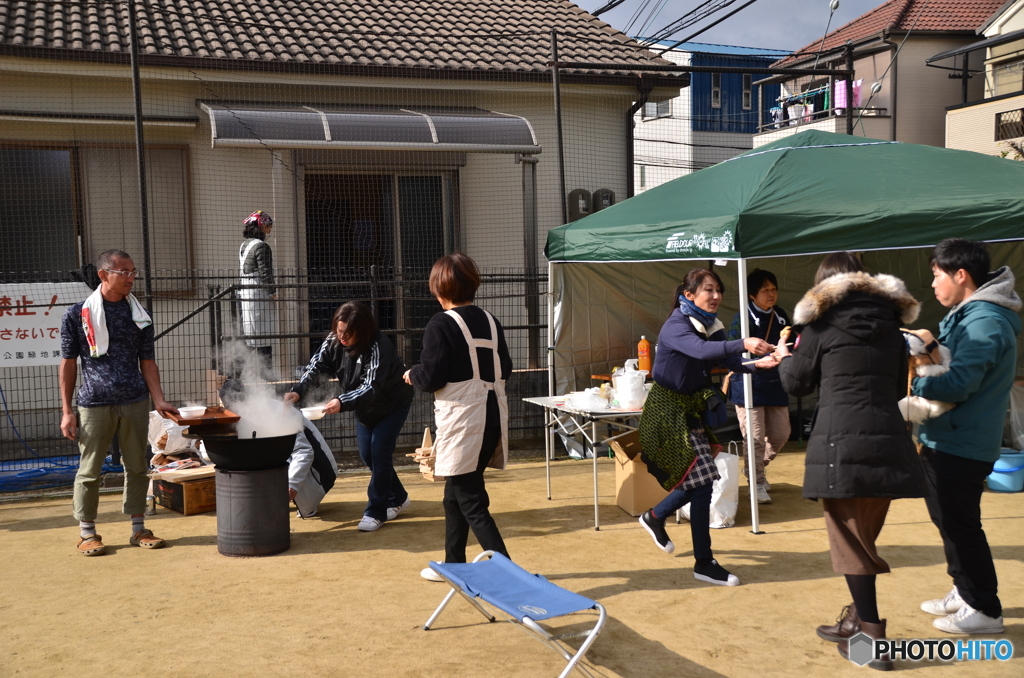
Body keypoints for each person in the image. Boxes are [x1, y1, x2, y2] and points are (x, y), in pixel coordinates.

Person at [776, 252, 925, 670]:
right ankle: (854, 622)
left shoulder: (820, 326)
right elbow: (896, 387)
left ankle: (871, 639)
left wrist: (785, 356)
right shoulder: (893, 328)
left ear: (824, 287)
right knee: (863, 540)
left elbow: (797, 384)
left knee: (852, 546)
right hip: (888, 445)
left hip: (840, 449)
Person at [637, 268, 777, 587]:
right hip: (666, 413)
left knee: (700, 481)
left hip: (689, 409)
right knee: (701, 481)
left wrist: (757, 364)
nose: (715, 296)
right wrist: (744, 342)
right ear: (689, 295)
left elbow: (728, 361)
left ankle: (657, 517)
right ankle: (702, 560)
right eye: (708, 290)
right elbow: (702, 351)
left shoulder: (710, 325)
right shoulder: (676, 324)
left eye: (718, 290)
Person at [912, 239, 1021, 636]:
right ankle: (965, 589)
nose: (933, 284)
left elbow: (958, 384)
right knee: (949, 521)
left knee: (961, 526)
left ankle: (984, 609)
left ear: (961, 275)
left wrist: (916, 380)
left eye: (937, 275)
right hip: (949, 438)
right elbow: (955, 367)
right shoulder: (971, 314)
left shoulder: (985, 321)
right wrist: (931, 346)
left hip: (963, 443)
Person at [60, 249, 178, 556]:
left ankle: (139, 528)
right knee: (90, 470)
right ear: (104, 275)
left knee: (137, 467)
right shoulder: (76, 314)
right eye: (124, 272)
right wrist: (67, 411)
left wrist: (159, 399)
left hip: (135, 400)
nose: (131, 278)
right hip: (93, 402)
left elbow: (147, 361)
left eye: (133, 272)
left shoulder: (139, 316)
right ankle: (87, 533)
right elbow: (68, 363)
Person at [403, 253, 513, 581]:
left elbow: (431, 377)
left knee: (470, 499)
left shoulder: (441, 324)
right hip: (493, 418)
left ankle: (508, 572)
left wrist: (412, 374)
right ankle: (453, 564)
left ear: (439, 290)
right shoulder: (491, 321)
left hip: (464, 422)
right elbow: (505, 368)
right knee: (455, 494)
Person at [284, 301, 413, 531]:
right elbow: (316, 366)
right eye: (339, 330)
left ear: (362, 331)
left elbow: (370, 387)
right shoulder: (334, 339)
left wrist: (341, 401)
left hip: (392, 404)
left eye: (348, 333)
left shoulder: (378, 345)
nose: (342, 336)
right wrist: (298, 391)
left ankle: (375, 512)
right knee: (367, 455)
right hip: (364, 406)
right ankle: (399, 497)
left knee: (379, 452)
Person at [727, 268, 792, 504]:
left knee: (781, 434)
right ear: (752, 295)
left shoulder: (781, 315)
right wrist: (758, 356)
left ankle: (754, 468)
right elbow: (732, 350)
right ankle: (756, 483)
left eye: (774, 289)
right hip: (748, 382)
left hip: (775, 382)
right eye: (765, 290)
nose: (771, 294)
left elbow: (790, 341)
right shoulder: (742, 317)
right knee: (754, 438)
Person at [238, 210, 276, 369]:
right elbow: (265, 272)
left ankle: (235, 372)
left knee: (249, 336)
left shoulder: (245, 245)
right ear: (260, 226)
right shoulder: (261, 246)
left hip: (245, 294)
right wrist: (273, 292)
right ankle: (267, 374)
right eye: (268, 226)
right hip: (258, 295)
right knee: (264, 336)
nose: (269, 230)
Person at [289, 421, 339, 519]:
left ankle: (306, 501)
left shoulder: (286, 417)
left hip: (321, 474)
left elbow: (303, 452)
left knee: (306, 508)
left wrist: (292, 485)